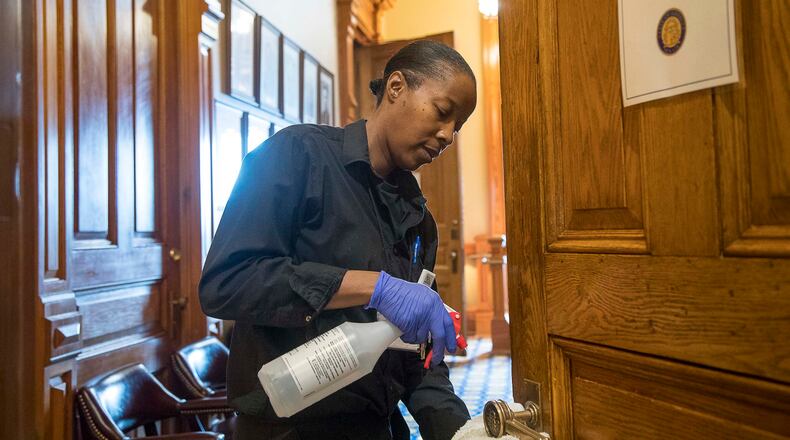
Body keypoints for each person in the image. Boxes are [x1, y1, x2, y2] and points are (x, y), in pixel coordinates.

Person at [199, 40, 477, 440]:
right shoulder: (297, 156)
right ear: (396, 87)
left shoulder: (419, 222)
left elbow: (416, 358)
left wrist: (461, 431)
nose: (448, 135)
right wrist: (374, 287)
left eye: (458, 126)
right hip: (286, 431)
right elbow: (227, 284)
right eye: (443, 112)